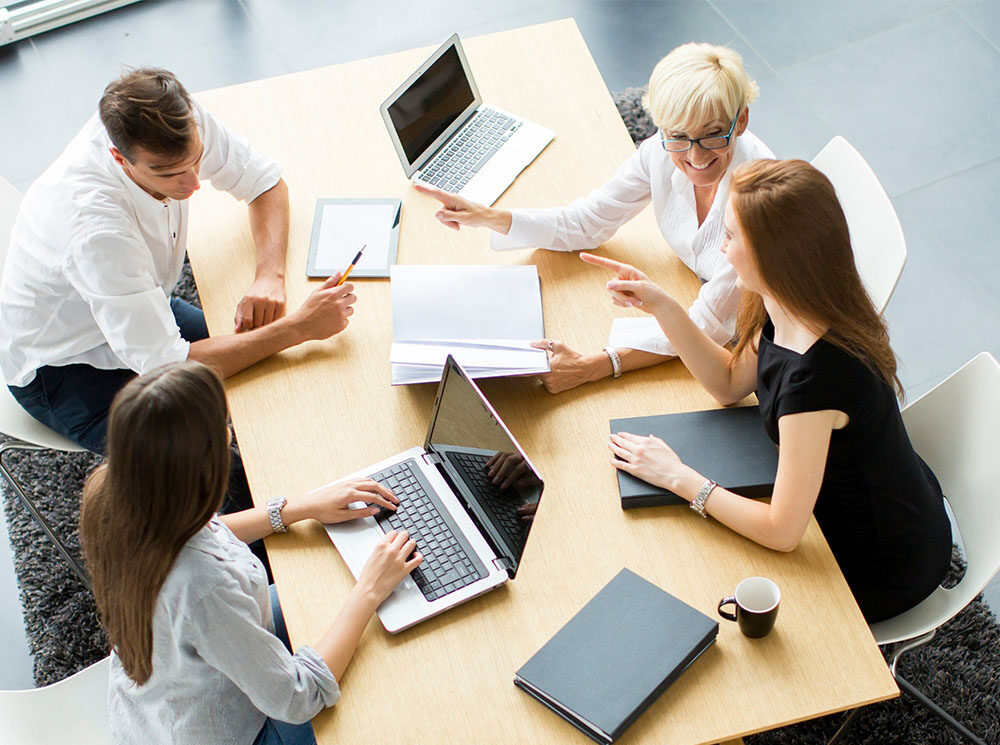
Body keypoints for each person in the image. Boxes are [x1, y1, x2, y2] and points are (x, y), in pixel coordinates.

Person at [593, 159, 952, 624]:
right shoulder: (785, 301)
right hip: (864, 498)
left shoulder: (816, 379)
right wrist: (661, 305)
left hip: (878, 562)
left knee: (694, 574)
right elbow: (728, 384)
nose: (721, 250)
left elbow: (783, 532)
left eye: (730, 236)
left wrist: (678, 478)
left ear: (771, 253)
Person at [79, 361, 421, 745]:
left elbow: (205, 532)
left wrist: (299, 508)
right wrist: (369, 591)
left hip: (153, 714)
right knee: (385, 647)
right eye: (225, 427)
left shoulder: (114, 493)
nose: (231, 434)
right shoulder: (205, 587)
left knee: (324, 593)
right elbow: (297, 697)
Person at [0, 67, 356, 453]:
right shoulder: (97, 232)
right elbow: (167, 366)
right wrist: (298, 328)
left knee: (268, 377)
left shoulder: (179, 119)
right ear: (120, 158)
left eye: (196, 160)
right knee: (211, 479)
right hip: (63, 367)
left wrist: (269, 276)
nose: (193, 185)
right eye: (169, 174)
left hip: (141, 298)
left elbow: (264, 182)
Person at [415, 42, 773, 393]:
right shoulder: (660, 152)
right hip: (692, 291)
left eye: (712, 134)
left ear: (740, 120)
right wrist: (490, 216)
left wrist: (595, 365)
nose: (695, 155)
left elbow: (707, 326)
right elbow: (587, 222)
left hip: (754, 333)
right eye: (678, 135)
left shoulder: (758, 204)